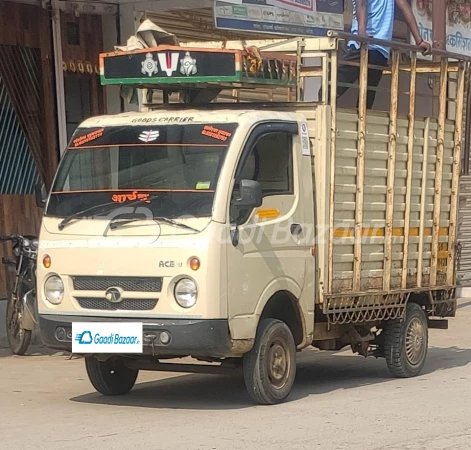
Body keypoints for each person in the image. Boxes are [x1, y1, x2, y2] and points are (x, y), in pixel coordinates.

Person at [330, 0, 432, 109]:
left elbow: (362, 4)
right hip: (381, 51)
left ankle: (328, 119)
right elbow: (404, 7)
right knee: (366, 99)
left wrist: (361, 32)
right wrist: (419, 40)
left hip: (360, 47)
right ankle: (361, 123)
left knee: (329, 90)